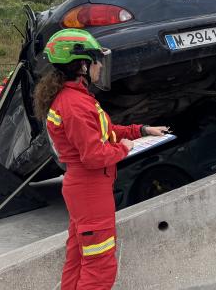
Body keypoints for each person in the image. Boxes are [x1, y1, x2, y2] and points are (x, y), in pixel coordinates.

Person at [33, 29, 168, 289]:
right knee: (100, 268)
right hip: (90, 189)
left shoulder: (74, 98)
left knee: (77, 258)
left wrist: (141, 131)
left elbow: (105, 132)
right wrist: (125, 149)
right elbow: (95, 155)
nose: (99, 67)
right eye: (96, 60)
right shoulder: (75, 104)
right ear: (82, 65)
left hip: (85, 190)